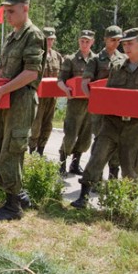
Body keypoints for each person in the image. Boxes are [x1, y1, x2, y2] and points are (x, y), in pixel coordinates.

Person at [71, 28, 138, 208]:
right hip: (111, 123)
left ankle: (128, 205)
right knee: (97, 156)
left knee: (131, 165)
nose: (126, 48)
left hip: (135, 126)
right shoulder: (117, 66)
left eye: (130, 44)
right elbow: (109, 93)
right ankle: (83, 196)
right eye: (124, 44)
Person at [0, 0, 44, 221]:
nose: (6, 15)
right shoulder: (12, 36)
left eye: (11, 11)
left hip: (22, 102)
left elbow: (31, 73)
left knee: (10, 154)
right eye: (5, 11)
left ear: (25, 8)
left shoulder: (33, 35)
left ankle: (13, 206)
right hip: (6, 99)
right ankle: (18, 194)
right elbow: (1, 69)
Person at [81, 25, 124, 179]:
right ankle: (95, 178)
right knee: (100, 145)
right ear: (105, 39)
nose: (116, 43)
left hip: (117, 110)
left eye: (119, 40)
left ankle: (113, 177)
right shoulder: (96, 60)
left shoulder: (124, 59)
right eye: (113, 40)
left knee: (117, 144)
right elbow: (85, 83)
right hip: (100, 111)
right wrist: (93, 101)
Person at [57, 30, 96, 176]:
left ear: (92, 42)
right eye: (82, 41)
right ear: (79, 41)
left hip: (90, 103)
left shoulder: (96, 60)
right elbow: (60, 80)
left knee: (86, 137)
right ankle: (62, 162)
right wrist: (66, 90)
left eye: (87, 41)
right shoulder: (71, 59)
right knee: (70, 136)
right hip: (75, 103)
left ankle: (75, 163)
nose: (84, 44)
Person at [29, 27, 63, 155]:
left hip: (52, 97)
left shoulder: (57, 56)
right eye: (47, 39)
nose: (49, 42)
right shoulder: (37, 55)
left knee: (47, 125)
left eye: (51, 39)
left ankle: (41, 150)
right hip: (38, 96)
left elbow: (62, 76)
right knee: (36, 125)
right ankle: (32, 151)